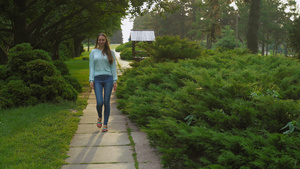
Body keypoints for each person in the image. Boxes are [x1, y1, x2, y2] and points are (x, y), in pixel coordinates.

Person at [89, 33, 118, 132]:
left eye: (103, 40)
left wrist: (115, 80)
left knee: (106, 102)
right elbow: (91, 67)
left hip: (108, 78)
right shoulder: (93, 52)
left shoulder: (110, 52)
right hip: (97, 79)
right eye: (100, 40)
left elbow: (113, 67)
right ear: (97, 41)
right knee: (100, 102)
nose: (101, 41)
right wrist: (91, 79)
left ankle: (105, 124)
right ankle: (99, 117)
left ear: (106, 41)